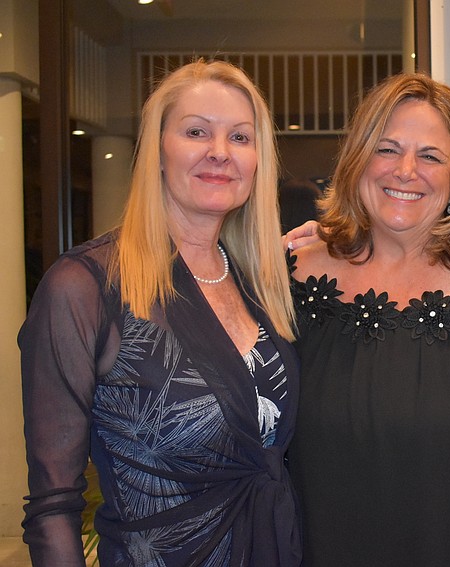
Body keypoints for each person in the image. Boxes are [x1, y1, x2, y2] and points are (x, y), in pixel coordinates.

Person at [19, 59, 301, 567]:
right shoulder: (85, 287)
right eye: (197, 132)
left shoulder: (259, 282)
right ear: (157, 152)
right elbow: (53, 505)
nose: (220, 152)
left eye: (240, 138)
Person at [287, 72, 450, 566]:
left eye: (430, 156)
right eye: (387, 149)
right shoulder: (291, 280)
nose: (405, 170)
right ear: (358, 160)